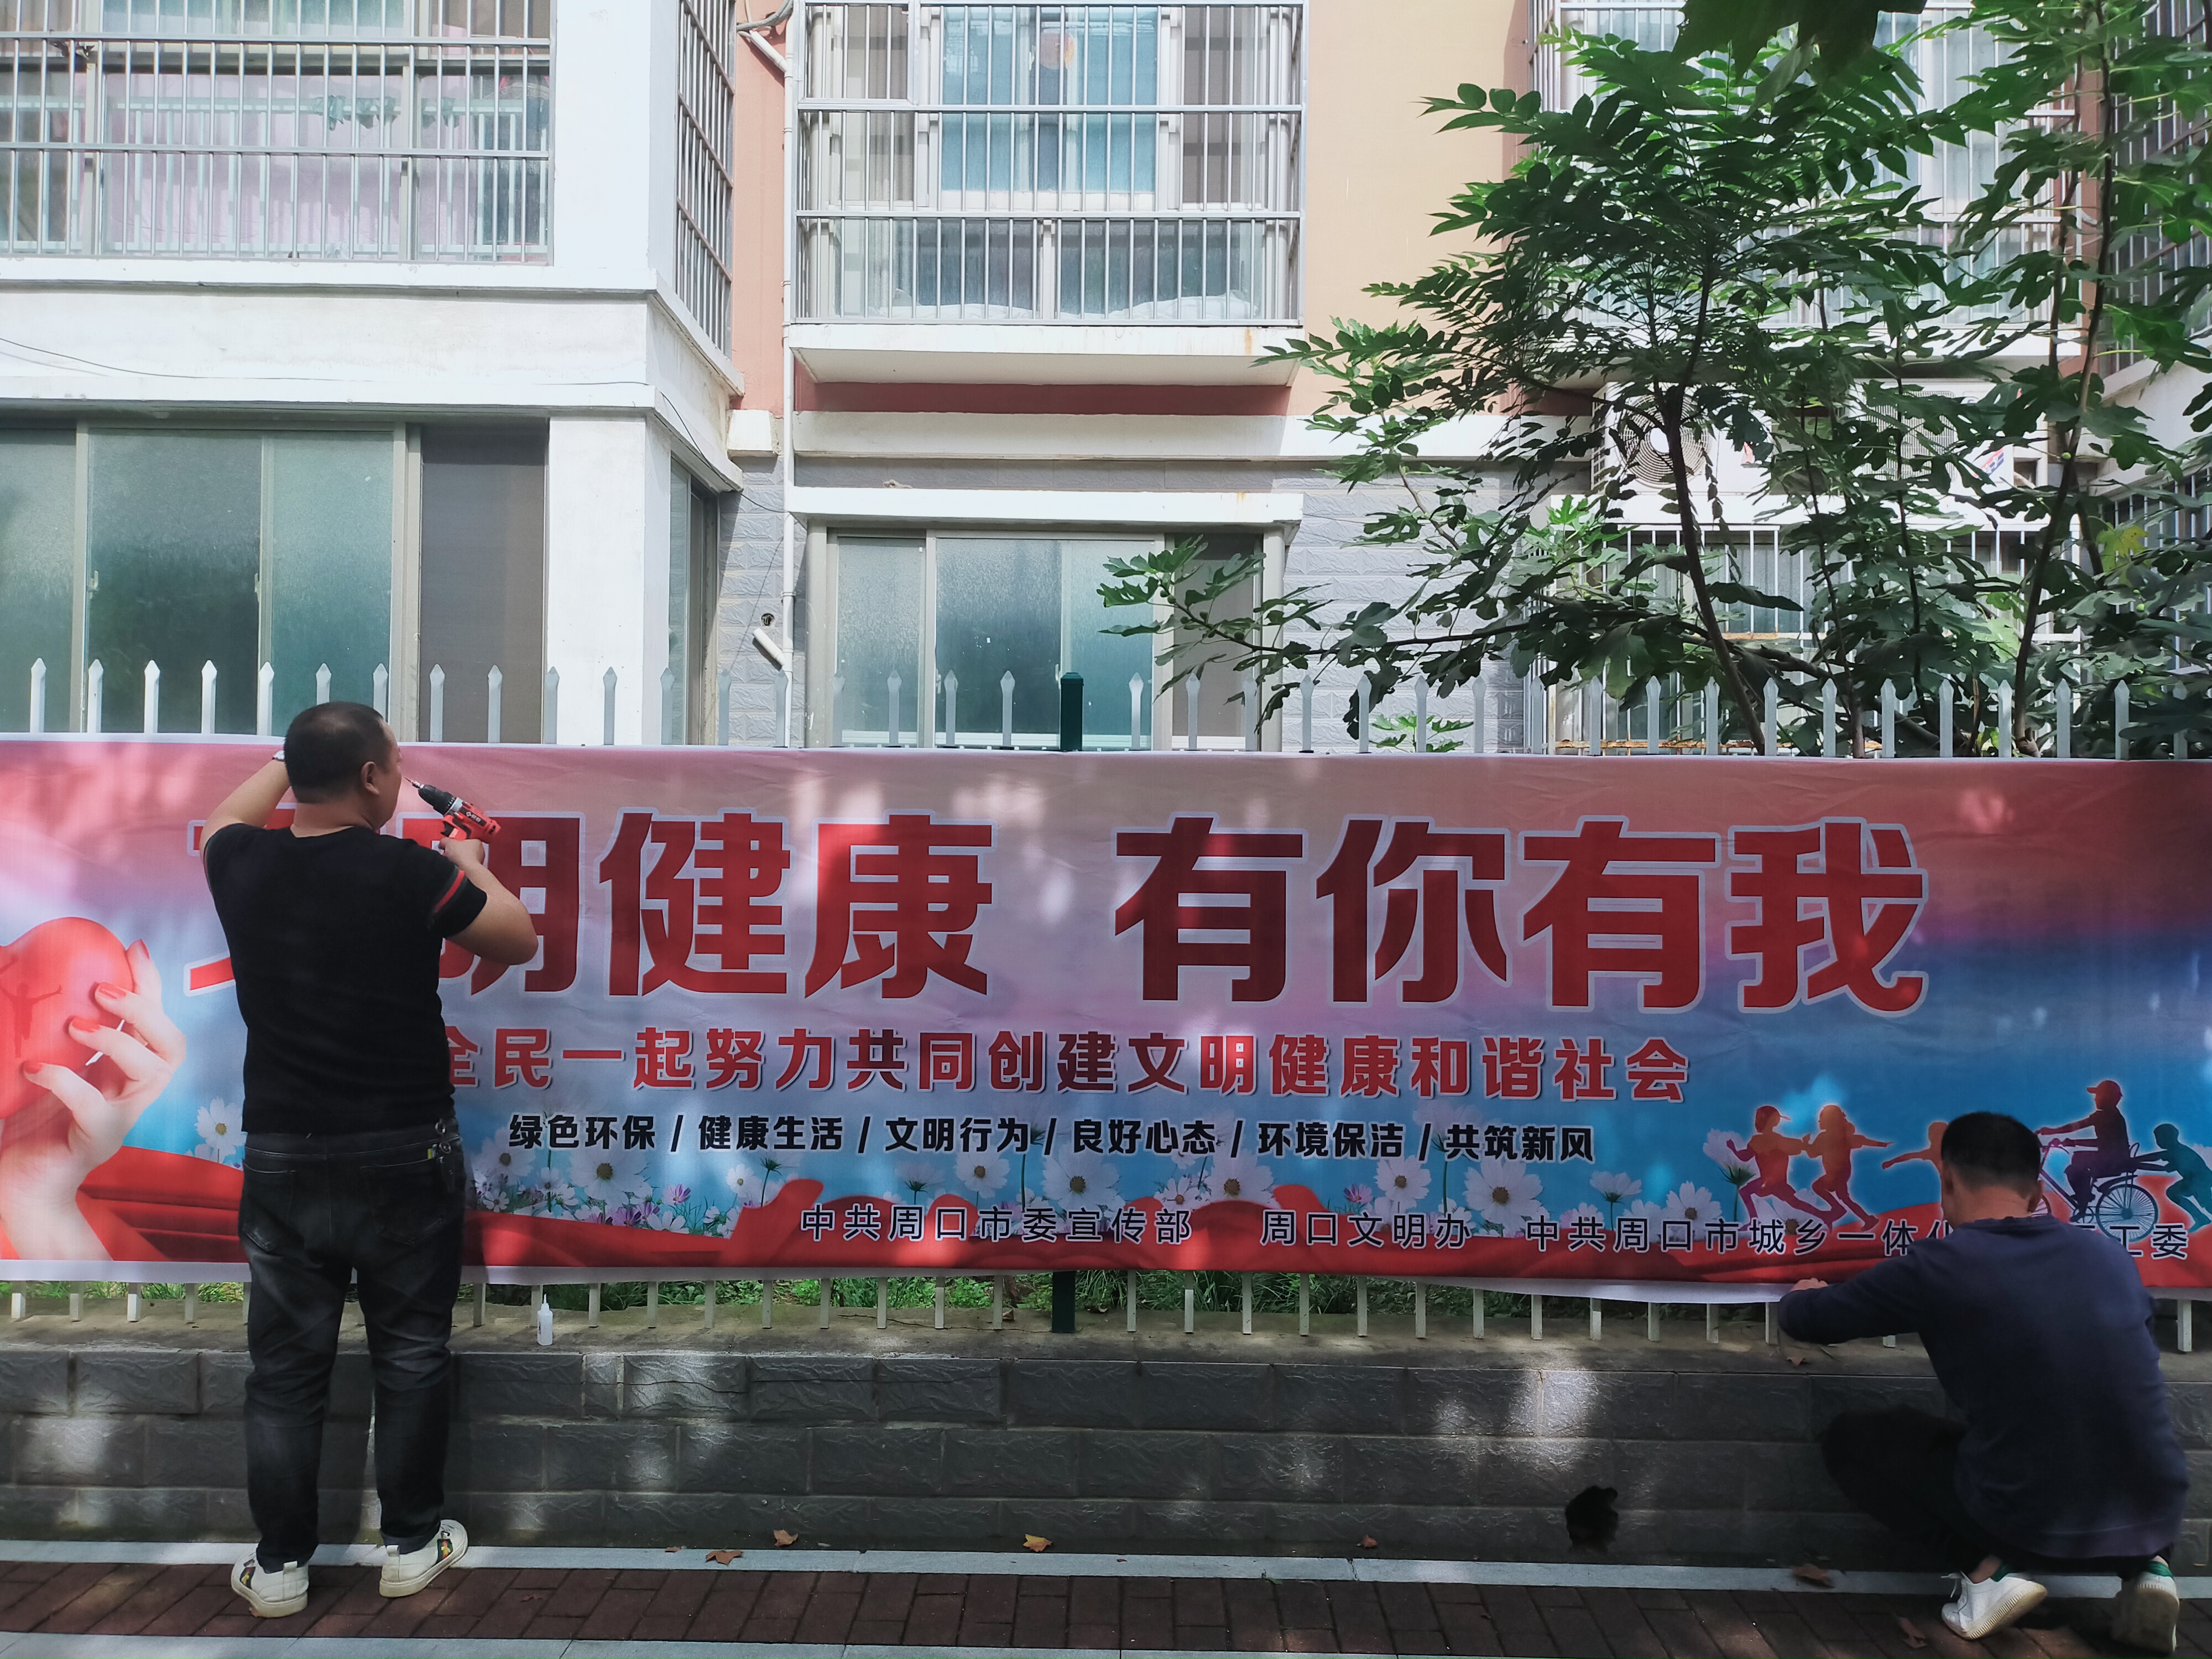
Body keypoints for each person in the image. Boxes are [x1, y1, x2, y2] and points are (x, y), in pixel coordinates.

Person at [201, 703, 538, 1619]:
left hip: (284, 1158)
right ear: (372, 778)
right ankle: (412, 1542)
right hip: (404, 1152)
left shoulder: (240, 862)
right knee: (413, 1351)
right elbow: (516, 939)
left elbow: (226, 816)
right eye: (391, 761)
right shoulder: (413, 873)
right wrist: (471, 863)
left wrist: (293, 755)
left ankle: (279, 1566)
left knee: (284, 1369)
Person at [1780, 1111, 2186, 1650]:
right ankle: (2150, 1573)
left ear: (1946, 1180)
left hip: (2030, 1522)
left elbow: (1811, 1320)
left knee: (1854, 1440)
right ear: (2037, 1192)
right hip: (2153, 1513)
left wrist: (1801, 1295)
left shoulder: (1941, 1265)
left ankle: (1989, 1575)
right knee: (2100, 1440)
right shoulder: (2108, 1257)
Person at [2039, 1079, 2136, 1221]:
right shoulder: (2111, 1115)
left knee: (2074, 1168)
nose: (2095, 1099)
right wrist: (2073, 1142)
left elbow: (2077, 1126)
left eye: (2098, 1095)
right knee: (2078, 1158)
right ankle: (2084, 1194)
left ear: (2107, 1098)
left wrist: (2053, 1132)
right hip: (2113, 1158)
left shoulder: (2105, 1116)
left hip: (2113, 1161)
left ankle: (2083, 1203)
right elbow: (2102, 1142)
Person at [1726, 1105, 1824, 1221]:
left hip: (1768, 1183)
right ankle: (1823, 1216)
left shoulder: (1759, 1141)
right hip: (1774, 1183)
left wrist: (1733, 1149)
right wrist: (1805, 1144)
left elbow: (1745, 1157)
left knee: (1794, 1203)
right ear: (1773, 1121)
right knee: (1795, 1203)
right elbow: (1798, 1146)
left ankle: (1754, 1220)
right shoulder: (1776, 1140)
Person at [1806, 1102, 1888, 1225]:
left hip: (1836, 1174)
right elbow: (1863, 1140)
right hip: (1842, 1173)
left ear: (1829, 1121)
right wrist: (1882, 1144)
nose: (1819, 1122)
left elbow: (1812, 1154)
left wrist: (1806, 1144)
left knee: (1821, 1188)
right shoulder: (1843, 1136)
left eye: (1821, 1119)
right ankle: (1867, 1219)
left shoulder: (1825, 1137)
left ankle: (1840, 1209)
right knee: (1843, 1197)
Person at [2144, 1124, 2212, 1233]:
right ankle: (2200, 1218)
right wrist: (2135, 1161)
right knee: (2173, 1192)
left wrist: (2138, 1164)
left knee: (2209, 1206)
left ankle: (2201, 1218)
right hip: (2192, 1181)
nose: (2158, 1141)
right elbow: (2157, 1156)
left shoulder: (2180, 1152)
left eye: (2160, 1138)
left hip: (2200, 1181)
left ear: (2169, 1138)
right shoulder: (2174, 1150)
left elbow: (2165, 1167)